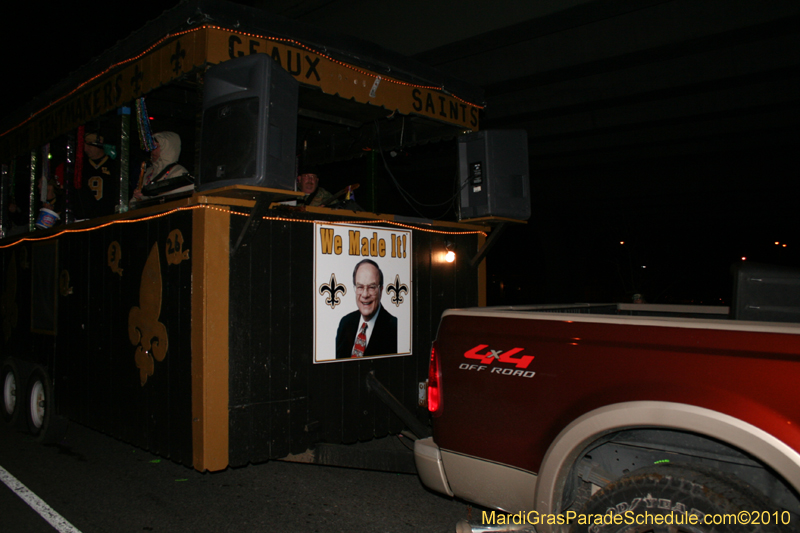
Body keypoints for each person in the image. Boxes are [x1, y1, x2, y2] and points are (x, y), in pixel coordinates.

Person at [335, 259, 397, 359]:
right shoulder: (345, 323)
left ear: (381, 290)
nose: (365, 294)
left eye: (372, 287)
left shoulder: (394, 329)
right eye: (360, 287)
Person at [133, 131, 192, 201]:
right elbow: (134, 201)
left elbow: (174, 199)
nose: (152, 150)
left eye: (156, 146)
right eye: (151, 147)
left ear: (168, 148)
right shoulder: (148, 172)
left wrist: (145, 196)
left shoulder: (178, 172)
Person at [79, 132, 119, 218]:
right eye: (85, 146)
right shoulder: (82, 168)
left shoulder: (114, 166)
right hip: (87, 216)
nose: (86, 149)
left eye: (90, 146)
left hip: (108, 215)